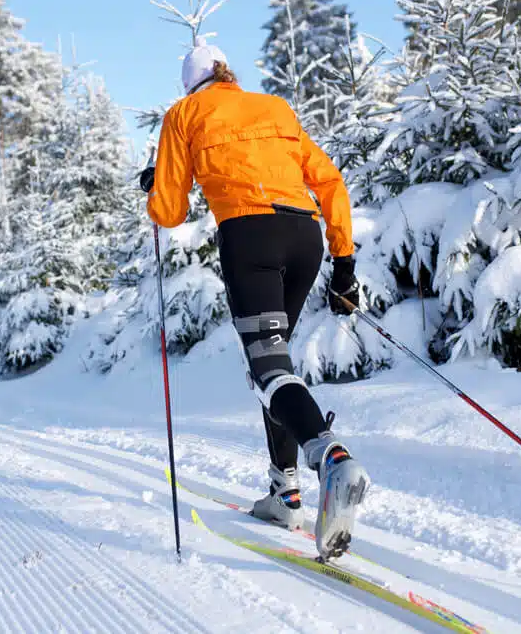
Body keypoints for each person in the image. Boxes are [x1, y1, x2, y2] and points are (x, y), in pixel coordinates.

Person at [140, 38, 370, 560]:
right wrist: (345, 265)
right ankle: (284, 491)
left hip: (250, 239)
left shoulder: (183, 114)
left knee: (268, 369)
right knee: (277, 365)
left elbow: (171, 211)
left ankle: (331, 458)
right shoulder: (274, 107)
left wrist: (155, 189)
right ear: (227, 72)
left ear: (190, 84)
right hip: (304, 235)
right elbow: (330, 181)